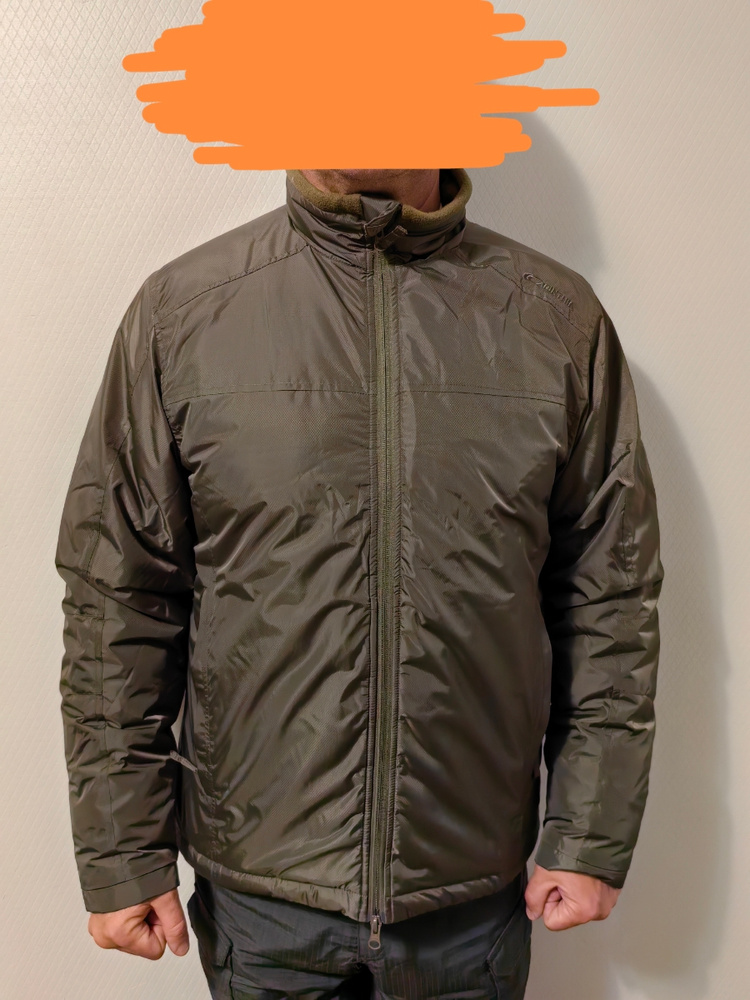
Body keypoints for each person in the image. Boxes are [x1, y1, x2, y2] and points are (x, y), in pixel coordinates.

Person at [55, 166, 664, 999]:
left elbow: (609, 599)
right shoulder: (183, 314)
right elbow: (117, 596)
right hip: (262, 911)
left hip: (468, 910)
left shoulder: (557, 320)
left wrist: (589, 834)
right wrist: (121, 849)